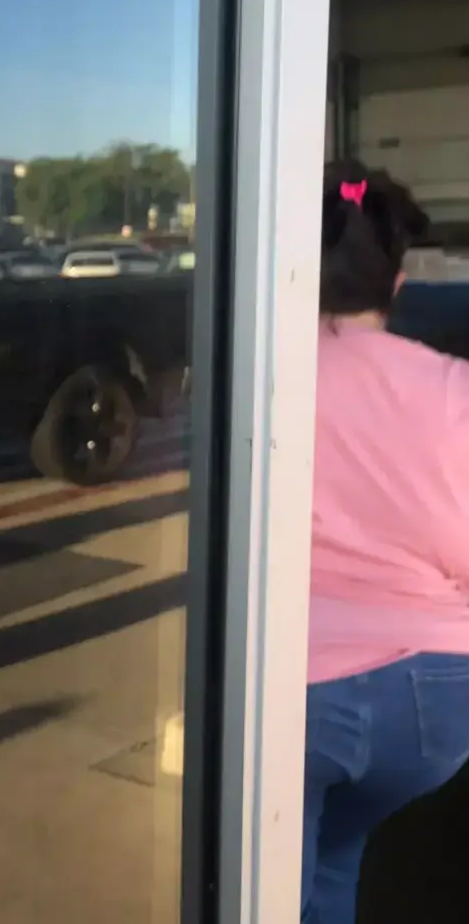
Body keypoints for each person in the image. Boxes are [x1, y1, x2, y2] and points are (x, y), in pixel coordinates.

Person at [302, 161, 469, 923]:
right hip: (437, 707)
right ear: (396, 285)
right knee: (338, 857)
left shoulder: (254, 382)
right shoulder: (454, 387)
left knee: (274, 877)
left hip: (297, 690)